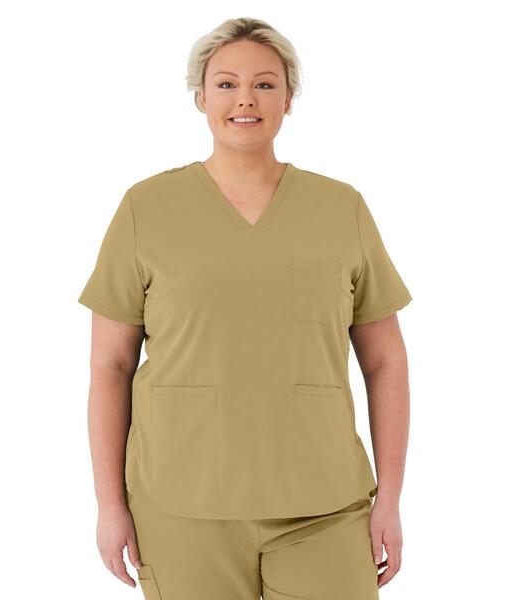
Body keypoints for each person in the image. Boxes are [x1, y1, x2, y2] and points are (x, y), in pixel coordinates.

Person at [78, 17, 412, 600]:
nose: (245, 100)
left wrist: (390, 500)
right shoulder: (145, 209)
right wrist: (110, 505)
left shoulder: (342, 209)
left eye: (265, 84)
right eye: (227, 84)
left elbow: (386, 362)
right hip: (180, 505)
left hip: (325, 504)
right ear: (201, 97)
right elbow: (110, 365)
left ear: (289, 98)